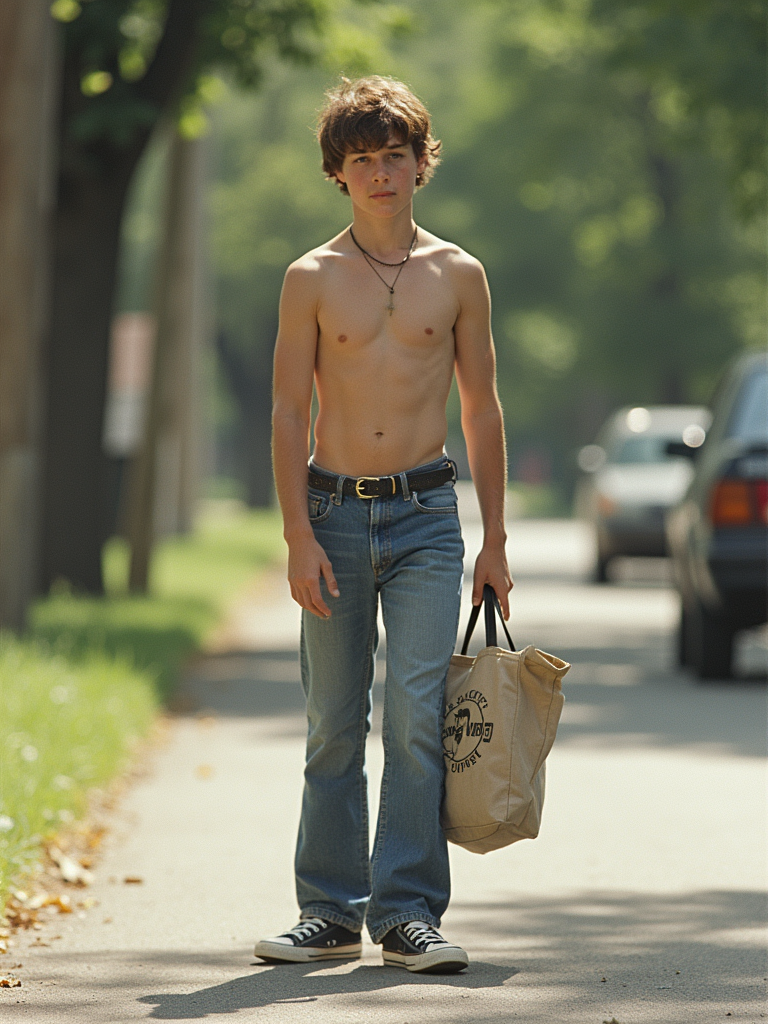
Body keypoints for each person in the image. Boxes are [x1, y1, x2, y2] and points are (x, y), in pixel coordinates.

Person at [254, 75, 512, 974]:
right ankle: (327, 910)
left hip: (428, 519)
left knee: (414, 716)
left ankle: (406, 912)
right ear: (339, 173)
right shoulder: (310, 278)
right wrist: (296, 534)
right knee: (332, 720)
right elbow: (288, 413)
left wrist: (496, 540)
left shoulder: (459, 274)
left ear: (419, 164)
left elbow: (483, 411)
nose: (379, 174)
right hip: (332, 514)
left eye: (394, 156)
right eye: (361, 160)